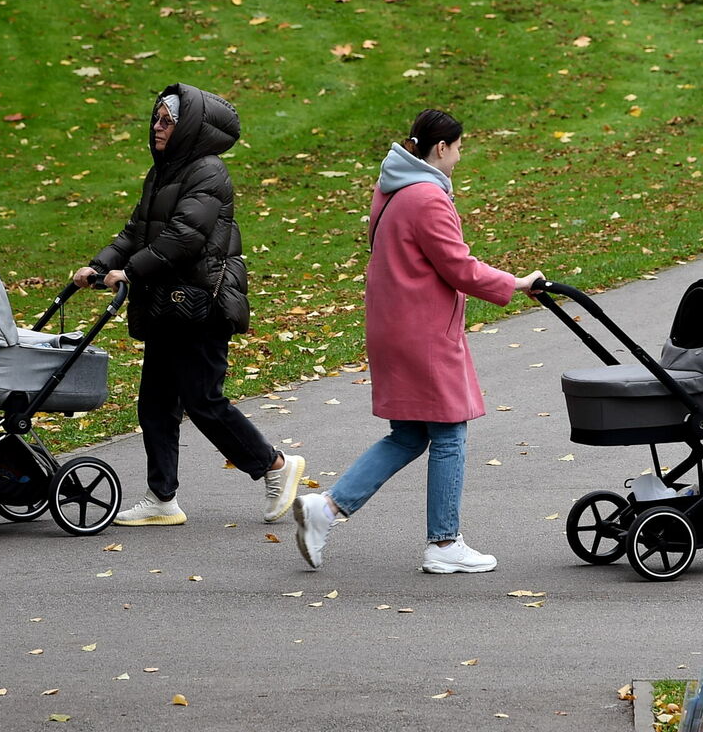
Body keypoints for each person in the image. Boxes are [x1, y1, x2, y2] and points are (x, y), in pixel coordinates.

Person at [293, 109, 543, 573]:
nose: (460, 157)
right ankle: (444, 544)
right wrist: (517, 282)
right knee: (450, 432)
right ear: (441, 148)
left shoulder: (391, 189)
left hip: (392, 327)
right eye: (460, 148)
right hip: (424, 333)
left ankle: (325, 510)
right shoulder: (428, 197)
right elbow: (459, 267)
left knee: (408, 434)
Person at [73, 83, 305, 526]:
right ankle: (162, 498)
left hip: (202, 304)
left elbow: (184, 237)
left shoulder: (207, 171)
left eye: (167, 121)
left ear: (189, 128)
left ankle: (276, 467)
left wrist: (132, 272)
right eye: (155, 119)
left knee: (203, 400)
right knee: (156, 403)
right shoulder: (163, 171)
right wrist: (98, 265)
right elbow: (135, 230)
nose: (157, 128)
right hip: (169, 307)